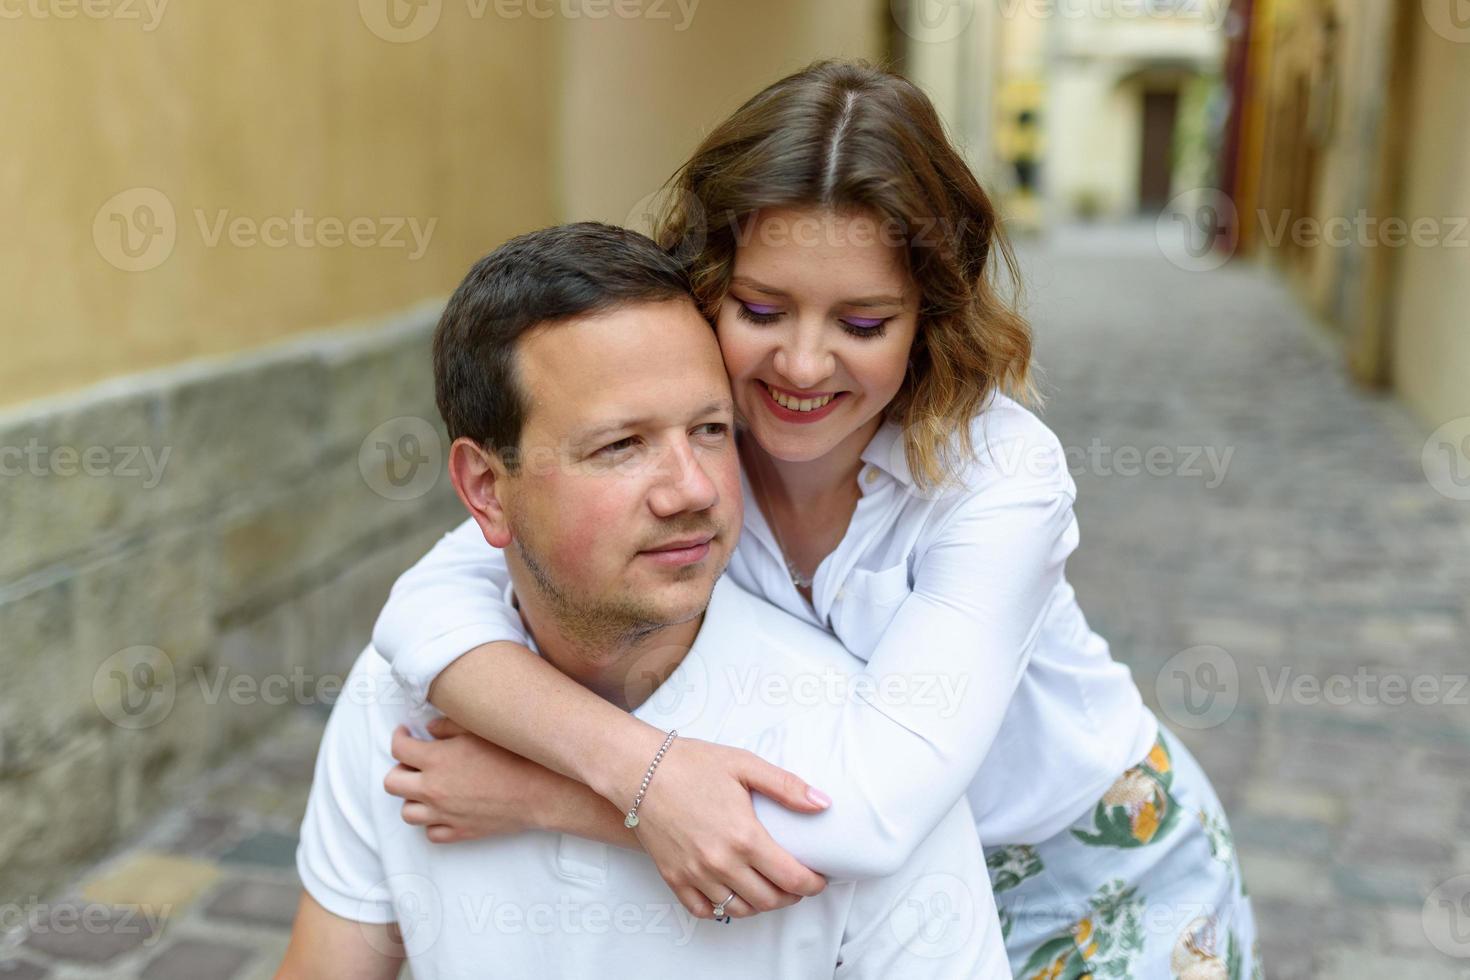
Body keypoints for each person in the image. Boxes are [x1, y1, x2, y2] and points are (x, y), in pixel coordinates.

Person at [371, 61, 1259, 977]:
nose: (801, 366)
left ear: (930, 319)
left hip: (1100, 866)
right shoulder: (695, 453)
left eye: (864, 324)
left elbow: (873, 813)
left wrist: (560, 795)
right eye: (761, 309)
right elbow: (423, 612)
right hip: (869, 907)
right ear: (708, 282)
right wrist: (639, 766)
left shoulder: (998, 475)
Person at [277, 222, 1011, 979]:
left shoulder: (858, 753)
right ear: (486, 491)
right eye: (620, 446)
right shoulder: (399, 703)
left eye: (711, 430)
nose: (691, 490)